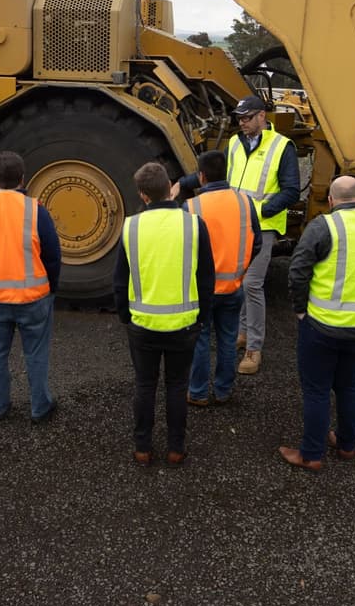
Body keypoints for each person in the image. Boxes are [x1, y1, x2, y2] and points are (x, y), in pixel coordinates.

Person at [279, 176, 355, 471]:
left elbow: (298, 271)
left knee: (316, 390)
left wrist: (300, 310)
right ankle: (346, 444)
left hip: (321, 326)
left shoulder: (324, 226)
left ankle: (311, 454)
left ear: (331, 201)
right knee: (348, 385)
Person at [180, 96, 298, 377]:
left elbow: (291, 190)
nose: (242, 123)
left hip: (263, 224)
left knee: (253, 285)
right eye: (240, 119)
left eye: (247, 118)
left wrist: (262, 212)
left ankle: (254, 349)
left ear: (262, 116)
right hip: (235, 223)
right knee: (239, 281)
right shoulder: (234, 143)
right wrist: (181, 184)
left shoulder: (282, 146)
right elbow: (217, 177)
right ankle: (243, 333)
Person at [112, 161, 214, 466]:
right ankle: (175, 448)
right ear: (169, 187)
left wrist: (125, 317)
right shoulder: (194, 225)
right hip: (183, 325)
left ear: (143, 196)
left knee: (145, 385)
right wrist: (202, 317)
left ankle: (142, 447)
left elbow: (120, 279)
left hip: (142, 325)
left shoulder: (130, 226)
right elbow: (206, 277)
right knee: (177, 386)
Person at [0, 150, 62, 423]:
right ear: (23, 178)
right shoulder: (37, 210)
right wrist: (51, 288)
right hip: (34, 297)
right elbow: (53, 255)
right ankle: (40, 407)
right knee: (35, 354)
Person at [183, 148, 258, 408]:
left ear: (201, 176)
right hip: (233, 287)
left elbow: (184, 248)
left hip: (202, 289)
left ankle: (198, 392)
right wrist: (241, 268)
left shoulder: (192, 206)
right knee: (227, 339)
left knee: (201, 339)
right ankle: (223, 391)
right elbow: (256, 242)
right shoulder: (245, 202)